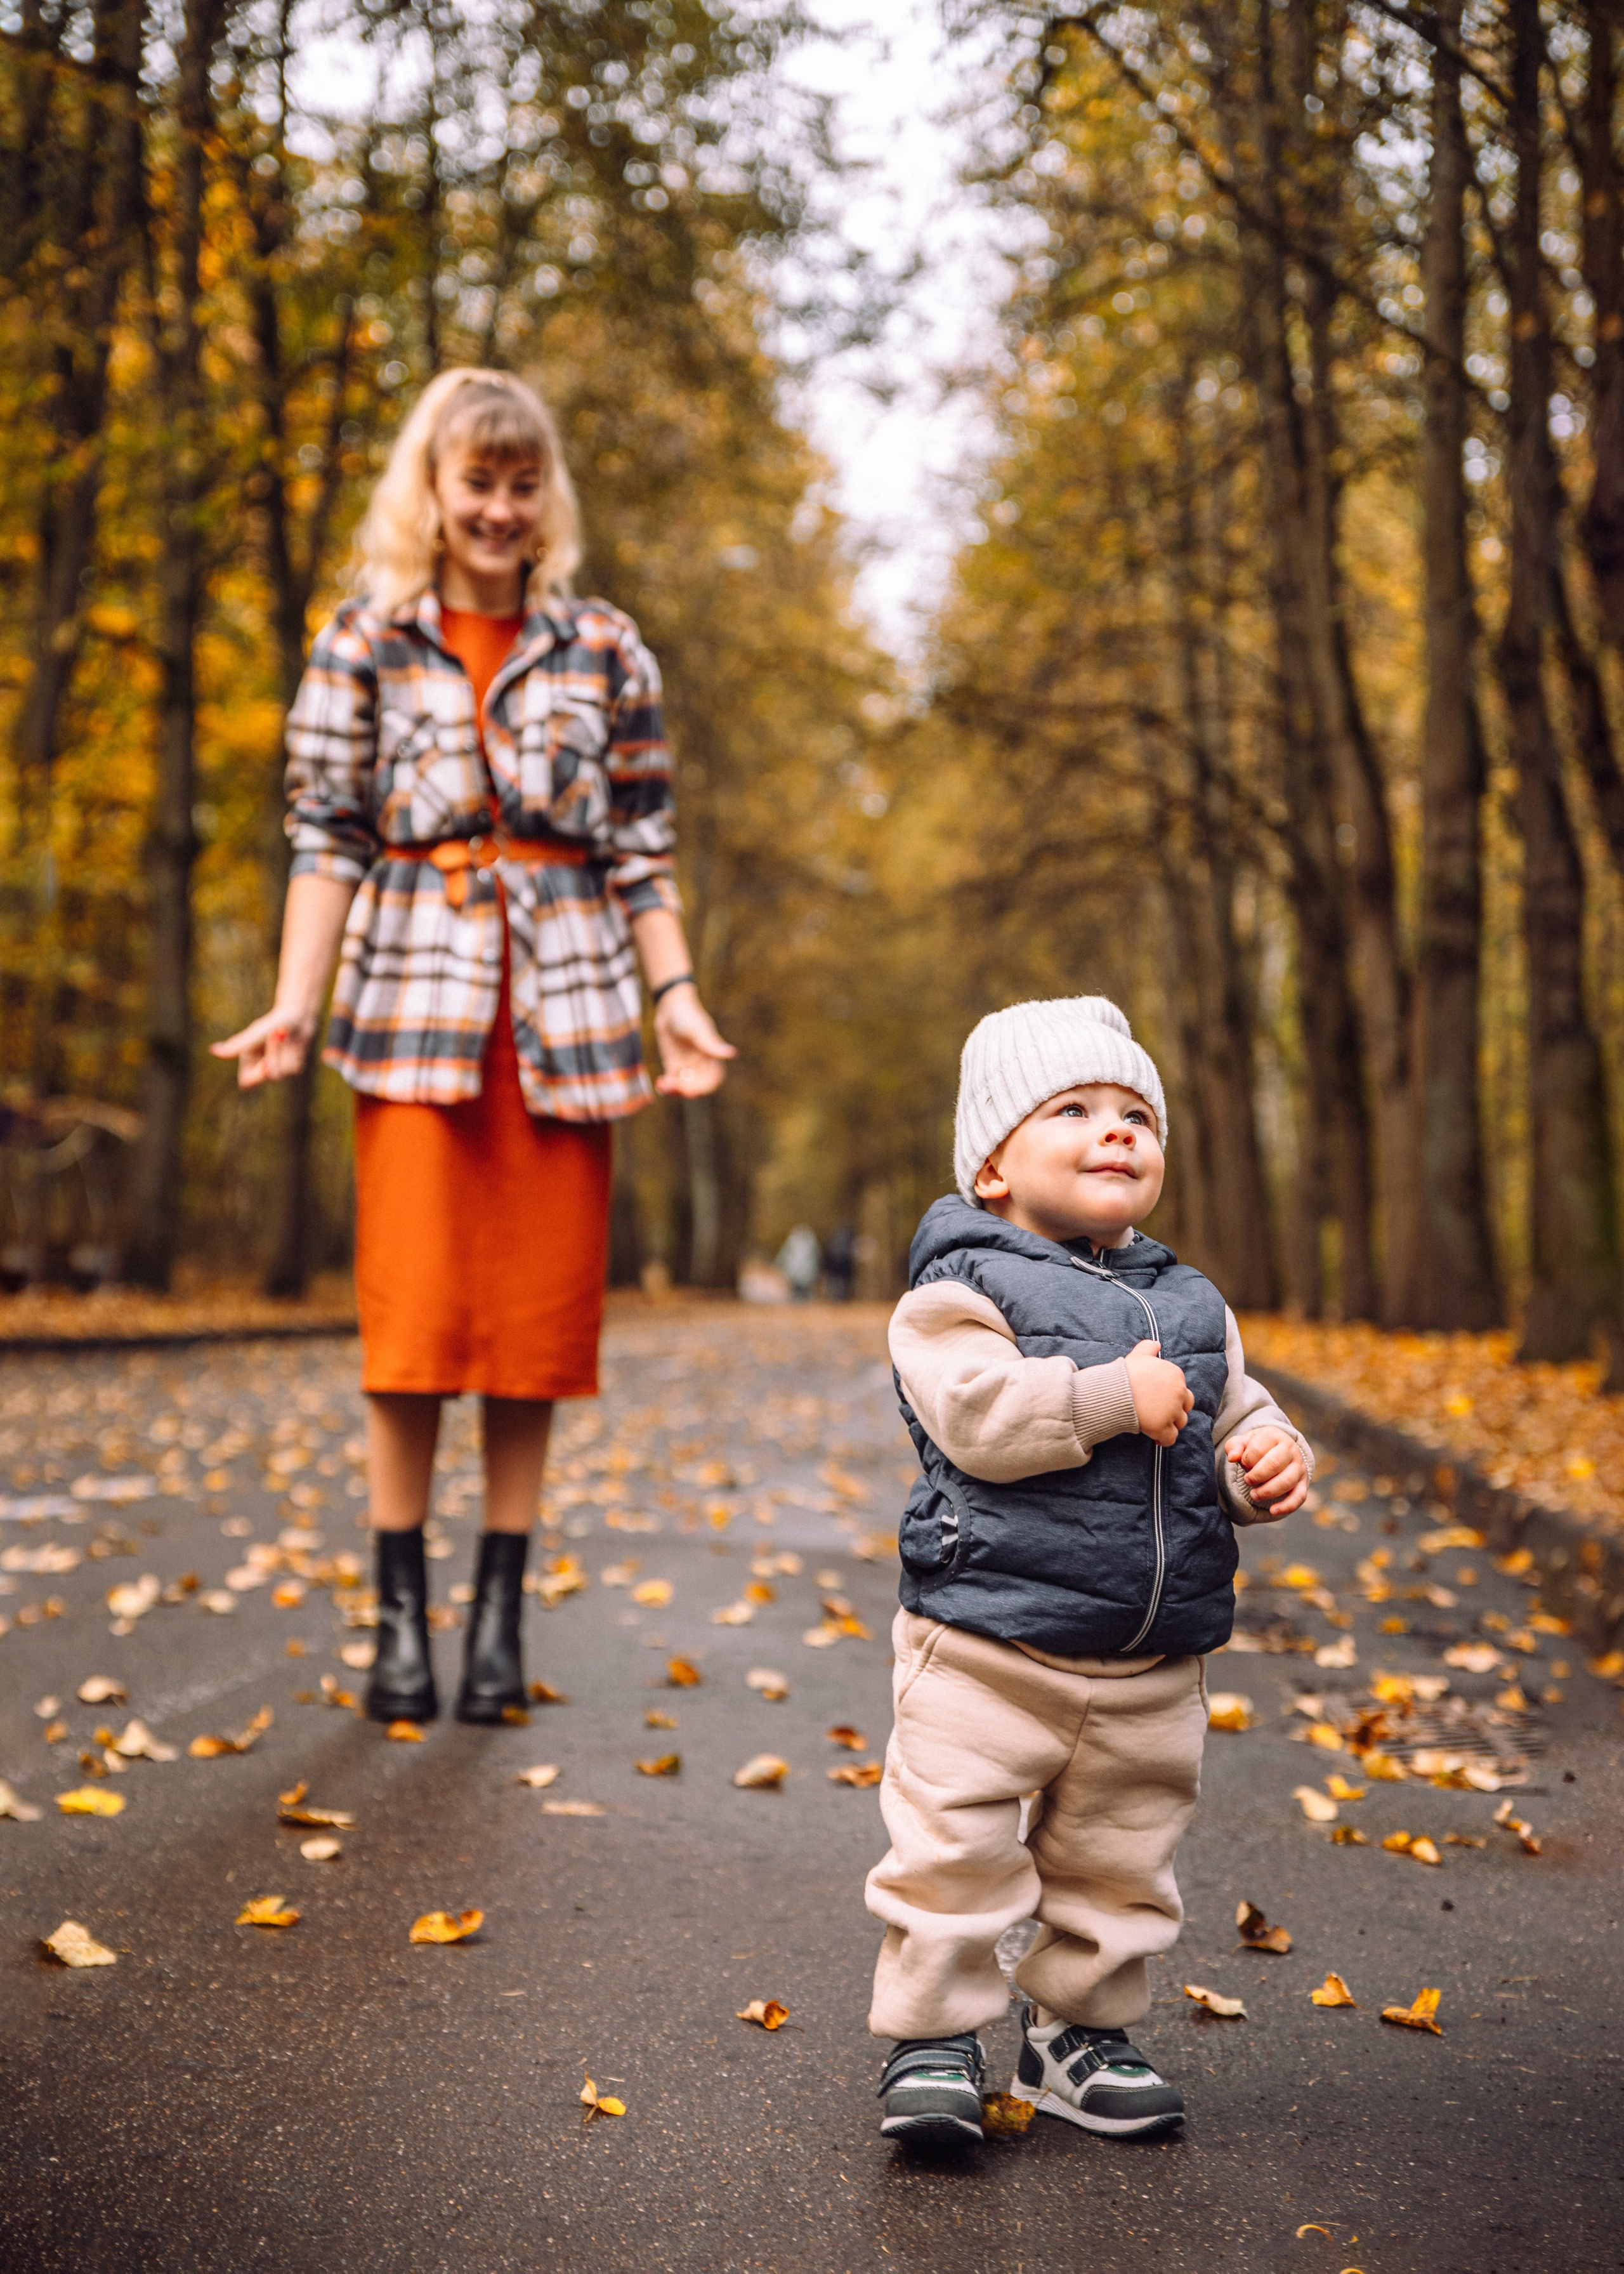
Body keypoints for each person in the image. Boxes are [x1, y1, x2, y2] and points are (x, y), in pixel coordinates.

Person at [214, 368, 733, 1726]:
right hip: (411, 1016)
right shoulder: (363, 642)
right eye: (475, 483)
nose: (498, 509)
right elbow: (325, 835)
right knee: (414, 1323)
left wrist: (671, 993)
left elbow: (640, 850)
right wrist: (293, 1000)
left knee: (532, 1332)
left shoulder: (607, 649)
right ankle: (398, 1621)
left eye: (520, 484)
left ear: (543, 496)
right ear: (432, 492)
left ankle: (497, 1619)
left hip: (564, 1021)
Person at [867, 996, 1311, 2148]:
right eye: (1074, 1110)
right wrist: (1114, 1397)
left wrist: (1260, 1464)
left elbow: (1227, 1420)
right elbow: (978, 1418)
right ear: (995, 1168)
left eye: (1136, 1115)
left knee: (1120, 1867)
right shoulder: (957, 1288)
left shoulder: (1192, 1301)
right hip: (985, 1641)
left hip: (1149, 1660)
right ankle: (934, 2036)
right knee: (954, 1850)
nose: (1117, 1131)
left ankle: (1079, 2036)